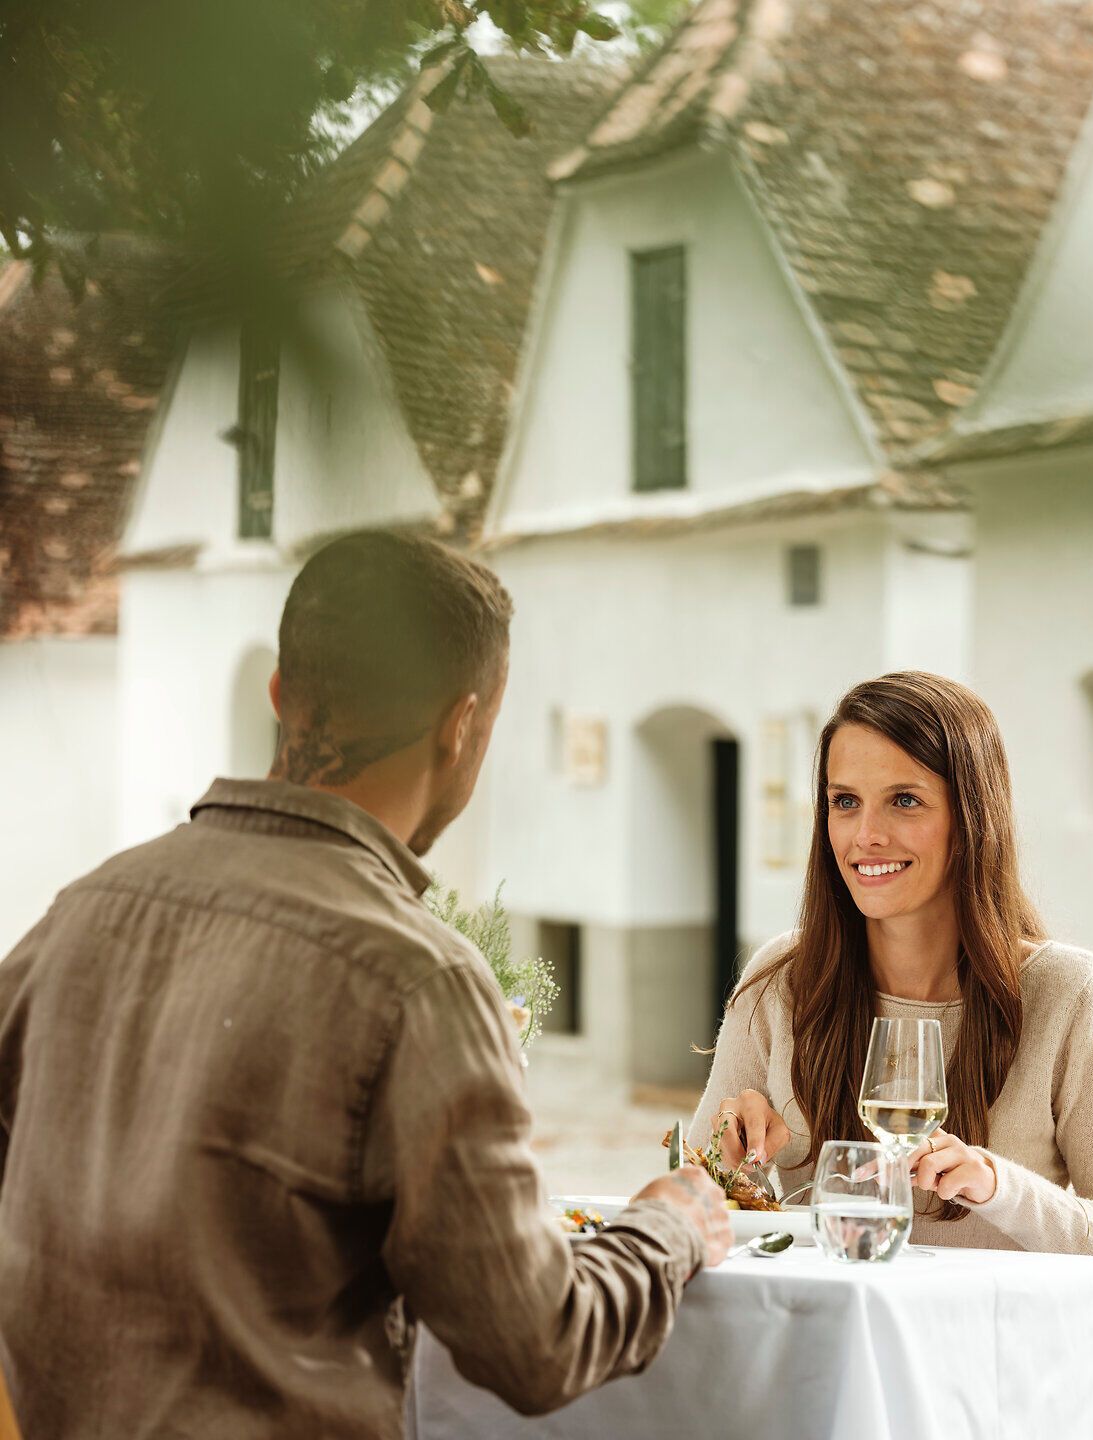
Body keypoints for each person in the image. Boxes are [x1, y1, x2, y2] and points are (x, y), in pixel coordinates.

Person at [0, 532, 730, 1439]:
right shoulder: (418, 980)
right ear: (463, 726)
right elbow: (538, 1341)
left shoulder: (75, 915)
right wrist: (674, 1225)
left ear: (279, 694)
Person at [694, 671, 1093, 1284]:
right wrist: (731, 1162)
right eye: (845, 802)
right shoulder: (782, 981)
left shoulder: (1069, 994)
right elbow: (690, 1206)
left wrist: (998, 1187)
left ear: (973, 817)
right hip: (825, 1347)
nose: (866, 835)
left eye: (905, 800)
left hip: (991, 1359)